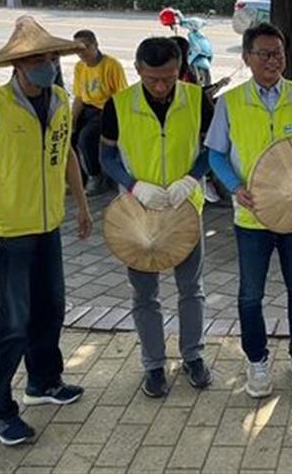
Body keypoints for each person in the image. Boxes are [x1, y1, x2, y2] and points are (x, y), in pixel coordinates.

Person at [0, 16, 92, 446]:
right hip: (9, 234)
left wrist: (83, 205)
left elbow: (67, 151)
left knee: (52, 308)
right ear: (18, 64)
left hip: (47, 224)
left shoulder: (57, 99)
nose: (47, 64)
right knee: (13, 323)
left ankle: (44, 382)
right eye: (38, 57)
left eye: (51, 56)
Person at [206, 22, 292, 398]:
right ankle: (257, 362)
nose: (273, 60)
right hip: (251, 218)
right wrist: (234, 187)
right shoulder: (231, 103)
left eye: (278, 53)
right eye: (264, 54)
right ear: (247, 58)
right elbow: (215, 154)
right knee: (251, 294)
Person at [98, 37, 214, 398]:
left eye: (168, 78)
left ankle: (193, 356)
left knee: (190, 289)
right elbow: (107, 158)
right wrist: (134, 186)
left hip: (185, 210)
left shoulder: (198, 100)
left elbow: (212, 149)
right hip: (138, 213)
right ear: (138, 71)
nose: (161, 86)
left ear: (180, 69)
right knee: (144, 294)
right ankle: (153, 365)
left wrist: (191, 177)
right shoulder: (118, 105)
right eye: (152, 79)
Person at [71, 30, 127, 195]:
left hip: (106, 110)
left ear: (95, 45)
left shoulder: (111, 65)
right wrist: (72, 120)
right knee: (68, 136)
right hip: (87, 108)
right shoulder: (79, 67)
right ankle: (77, 179)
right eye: (77, 50)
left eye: (85, 48)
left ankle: (96, 176)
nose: (82, 54)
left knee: (86, 138)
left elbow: (120, 97)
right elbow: (79, 97)